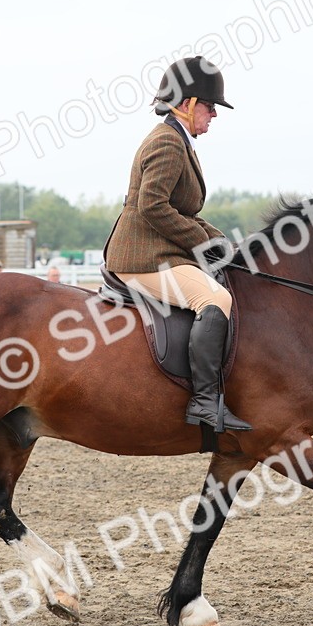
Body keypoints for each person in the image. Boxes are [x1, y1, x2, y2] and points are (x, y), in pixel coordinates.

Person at [103, 55, 250, 434]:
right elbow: (152, 206)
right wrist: (203, 243)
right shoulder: (168, 142)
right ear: (186, 104)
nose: (214, 114)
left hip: (160, 252)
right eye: (209, 105)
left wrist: (221, 241)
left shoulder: (178, 141)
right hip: (142, 258)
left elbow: (184, 208)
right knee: (215, 299)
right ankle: (203, 402)